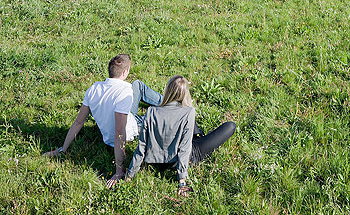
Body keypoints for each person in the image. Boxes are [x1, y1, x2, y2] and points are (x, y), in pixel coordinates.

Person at [44, 54, 163, 188]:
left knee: (137, 85)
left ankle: (167, 101)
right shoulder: (125, 91)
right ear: (125, 72)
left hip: (109, 134)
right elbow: (119, 132)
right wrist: (119, 171)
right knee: (159, 115)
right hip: (132, 128)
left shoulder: (94, 88)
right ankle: (171, 102)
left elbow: (78, 123)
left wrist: (63, 149)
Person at [125, 75, 236, 196]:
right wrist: (182, 180)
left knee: (189, 122)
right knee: (230, 126)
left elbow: (141, 147)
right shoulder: (188, 112)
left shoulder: (151, 112)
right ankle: (200, 137)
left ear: (167, 90)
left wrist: (129, 175)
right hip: (185, 156)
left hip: (158, 160)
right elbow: (184, 149)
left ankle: (198, 135)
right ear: (185, 93)